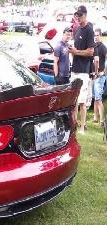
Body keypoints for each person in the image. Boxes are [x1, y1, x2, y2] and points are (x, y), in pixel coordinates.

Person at [68, 5, 94, 134]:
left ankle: (83, 127)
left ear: (85, 14)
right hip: (74, 69)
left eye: (80, 15)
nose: (78, 17)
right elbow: (76, 50)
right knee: (74, 100)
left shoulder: (89, 30)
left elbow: (90, 52)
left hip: (84, 70)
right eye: (77, 15)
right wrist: (72, 51)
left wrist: (76, 52)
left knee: (82, 101)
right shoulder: (77, 30)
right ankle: (74, 125)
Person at [92, 28, 107, 127]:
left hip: (100, 75)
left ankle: (102, 120)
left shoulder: (103, 47)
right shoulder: (93, 46)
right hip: (94, 75)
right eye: (95, 35)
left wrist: (103, 72)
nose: (96, 37)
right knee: (95, 97)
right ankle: (95, 117)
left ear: (100, 35)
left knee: (98, 98)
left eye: (97, 35)